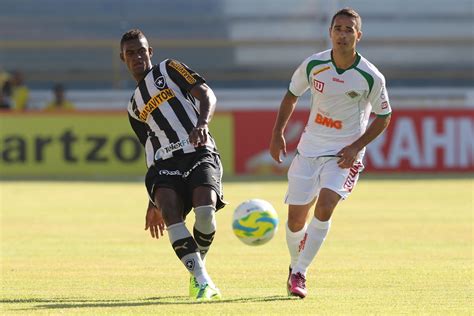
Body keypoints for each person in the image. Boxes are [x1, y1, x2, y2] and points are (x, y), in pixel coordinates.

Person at [269, 8, 392, 299]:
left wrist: (355, 147)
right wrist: (276, 134)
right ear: (330, 33)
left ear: (358, 36)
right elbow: (291, 95)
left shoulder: (370, 76)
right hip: (309, 149)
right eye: (338, 28)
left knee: (324, 207)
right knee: (296, 221)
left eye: (349, 30)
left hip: (343, 156)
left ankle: (301, 273)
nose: (343, 34)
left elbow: (384, 116)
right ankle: (294, 265)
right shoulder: (314, 65)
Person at [120, 28, 226, 301]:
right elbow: (149, 147)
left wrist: (202, 124)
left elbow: (206, 93)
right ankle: (203, 280)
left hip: (198, 150)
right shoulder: (133, 106)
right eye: (130, 53)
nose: (137, 57)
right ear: (123, 59)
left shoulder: (169, 69)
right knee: (169, 212)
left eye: (141, 51)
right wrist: (150, 200)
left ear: (150, 52)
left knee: (206, 213)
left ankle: (197, 265)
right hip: (165, 163)